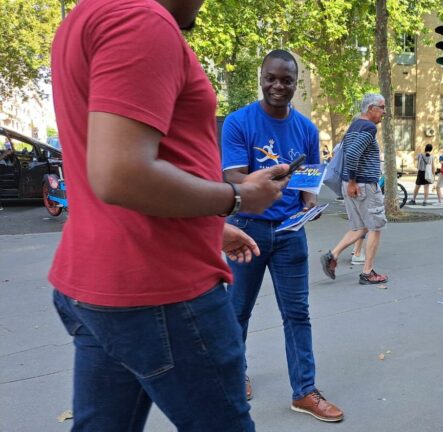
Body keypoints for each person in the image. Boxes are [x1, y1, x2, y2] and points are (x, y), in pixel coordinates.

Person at [49, 1, 291, 430]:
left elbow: (118, 162)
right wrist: (237, 197)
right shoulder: (141, 20)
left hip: (99, 282)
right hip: (161, 290)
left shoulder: (88, 15)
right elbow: (121, 174)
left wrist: (209, 226)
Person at [221, 49, 343, 422]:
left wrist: (308, 203)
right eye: (271, 78)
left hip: (291, 233)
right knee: (237, 310)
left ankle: (304, 391)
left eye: (286, 80)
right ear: (262, 78)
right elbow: (233, 178)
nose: (278, 85)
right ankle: (233, 374)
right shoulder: (239, 122)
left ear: (295, 84)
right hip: (247, 231)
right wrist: (267, 182)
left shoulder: (306, 129)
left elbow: (309, 182)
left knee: (297, 314)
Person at [321, 93, 388, 285]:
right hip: (363, 185)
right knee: (376, 227)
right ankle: (367, 272)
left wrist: (349, 182)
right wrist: (352, 181)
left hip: (352, 184)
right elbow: (351, 154)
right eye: (381, 108)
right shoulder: (368, 127)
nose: (384, 112)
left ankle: (332, 255)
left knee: (360, 227)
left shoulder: (354, 125)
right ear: (370, 109)